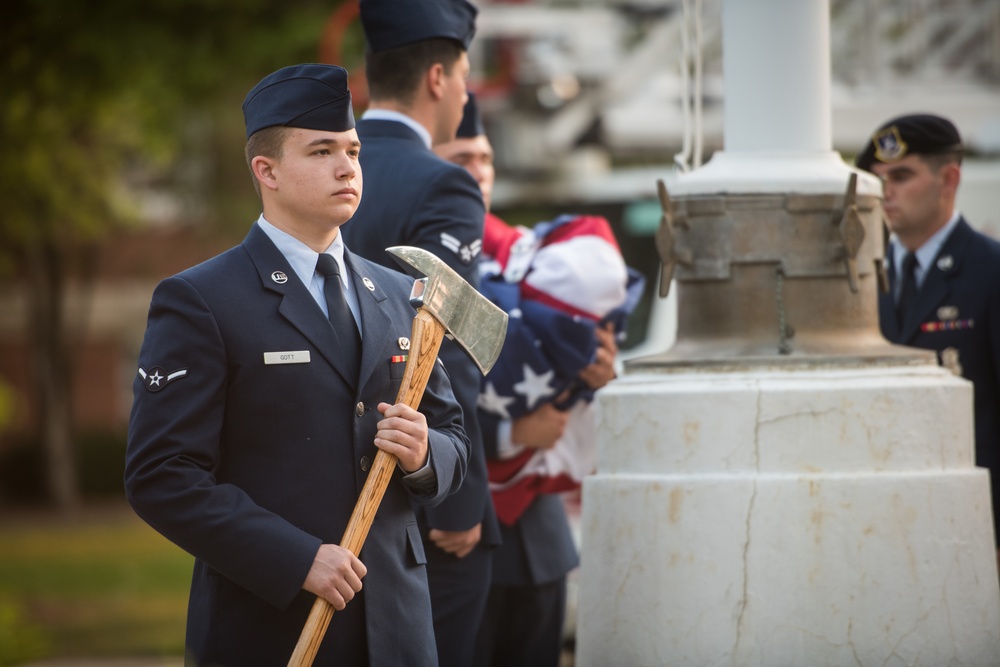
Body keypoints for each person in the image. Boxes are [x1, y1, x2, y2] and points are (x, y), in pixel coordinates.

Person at [124, 63, 470, 666]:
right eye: (321, 150)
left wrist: (424, 454)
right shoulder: (202, 299)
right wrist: (294, 558)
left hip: (400, 629)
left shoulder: (403, 294)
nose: (347, 167)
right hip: (275, 624)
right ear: (267, 170)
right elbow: (162, 475)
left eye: (353, 150)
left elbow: (454, 437)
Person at [434, 94, 642, 666]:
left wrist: (599, 374)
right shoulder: (417, 262)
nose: (476, 172)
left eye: (484, 158)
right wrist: (506, 437)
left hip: (538, 538)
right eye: (458, 159)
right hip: (457, 530)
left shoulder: (541, 265)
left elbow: (579, 373)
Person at [339, 2, 501, 666]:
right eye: (464, 74)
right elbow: (448, 348)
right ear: (438, 78)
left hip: (327, 486)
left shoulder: (314, 170)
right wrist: (457, 497)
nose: (465, 91)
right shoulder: (444, 185)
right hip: (418, 491)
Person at [857, 112, 1000, 573]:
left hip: (974, 519)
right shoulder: (861, 279)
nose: (885, 192)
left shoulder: (990, 270)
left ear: (949, 179)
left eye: (901, 175)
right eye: (877, 179)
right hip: (883, 520)